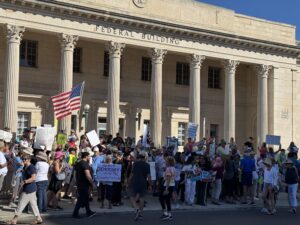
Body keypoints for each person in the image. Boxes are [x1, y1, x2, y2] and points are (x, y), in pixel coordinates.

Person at [9, 154, 43, 225]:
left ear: (29, 160)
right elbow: (26, 172)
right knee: (34, 205)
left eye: (25, 159)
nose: (23, 160)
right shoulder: (26, 166)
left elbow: (33, 178)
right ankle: (39, 218)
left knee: (21, 203)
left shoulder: (31, 167)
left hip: (29, 189)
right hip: (30, 188)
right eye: (22, 159)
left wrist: (25, 181)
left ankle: (14, 219)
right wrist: (20, 171)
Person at [128, 151, 151, 221]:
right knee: (142, 198)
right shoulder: (147, 165)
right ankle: (140, 214)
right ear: (145, 157)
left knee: (131, 196)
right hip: (143, 183)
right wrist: (150, 184)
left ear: (139, 157)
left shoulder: (135, 164)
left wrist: (128, 181)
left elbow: (132, 174)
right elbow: (148, 176)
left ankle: (136, 208)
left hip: (134, 182)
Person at [72, 152, 96, 218]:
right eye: (89, 156)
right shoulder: (84, 164)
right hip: (83, 184)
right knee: (81, 199)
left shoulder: (79, 163)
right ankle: (75, 214)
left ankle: (88, 212)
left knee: (86, 199)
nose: (90, 157)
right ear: (86, 156)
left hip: (80, 183)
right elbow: (87, 175)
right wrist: (92, 183)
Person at [159, 156, 176, 220]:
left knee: (161, 198)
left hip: (167, 185)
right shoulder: (173, 168)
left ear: (168, 162)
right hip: (172, 185)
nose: (165, 162)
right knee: (167, 200)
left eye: (166, 161)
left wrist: (166, 188)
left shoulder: (168, 169)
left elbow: (168, 179)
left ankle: (166, 213)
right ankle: (169, 214)